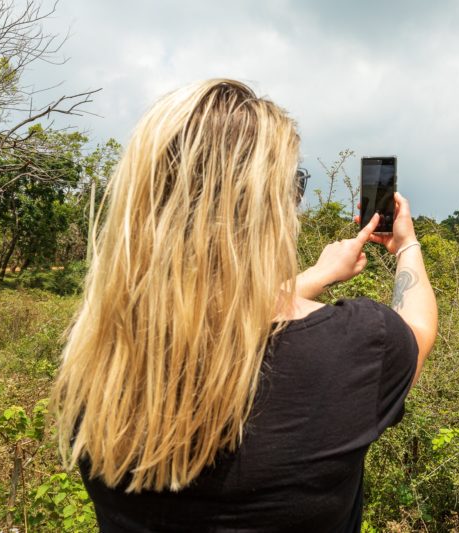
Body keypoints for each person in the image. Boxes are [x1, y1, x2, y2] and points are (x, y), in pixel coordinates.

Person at [48, 78, 437, 532]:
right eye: (294, 184)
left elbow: (216, 313)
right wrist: (407, 247)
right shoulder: (356, 344)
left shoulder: (96, 361)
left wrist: (318, 275)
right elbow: (418, 326)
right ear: (267, 205)